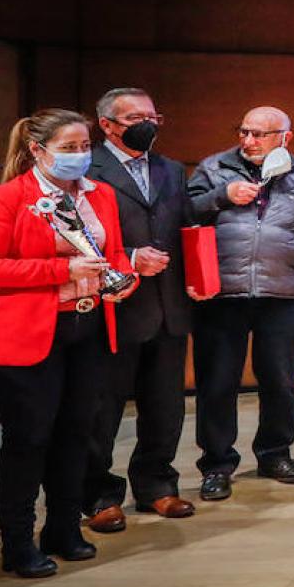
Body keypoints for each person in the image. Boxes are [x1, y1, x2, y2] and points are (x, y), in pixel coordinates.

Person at [0, 109, 137, 578]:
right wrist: (61, 271)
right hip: (29, 336)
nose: (80, 156)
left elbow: (114, 253)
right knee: (28, 441)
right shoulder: (7, 198)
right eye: (69, 148)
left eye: (85, 148)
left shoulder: (100, 195)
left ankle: (63, 529)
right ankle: (17, 543)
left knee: (76, 436)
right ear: (38, 150)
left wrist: (124, 280)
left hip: (89, 331)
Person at [184, 106, 294, 500]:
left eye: (260, 134)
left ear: (285, 138)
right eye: (244, 132)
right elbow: (184, 211)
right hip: (222, 294)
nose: (249, 141)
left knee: (280, 381)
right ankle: (217, 464)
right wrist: (221, 197)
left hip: (282, 292)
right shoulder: (213, 168)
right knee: (218, 383)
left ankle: (275, 454)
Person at [82, 88, 194, 533]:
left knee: (165, 406)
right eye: (134, 117)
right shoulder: (88, 168)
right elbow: (76, 237)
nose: (146, 123)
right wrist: (128, 255)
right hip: (116, 306)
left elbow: (184, 226)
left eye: (152, 115)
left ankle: (156, 486)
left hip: (169, 307)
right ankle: (98, 495)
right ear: (107, 124)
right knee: (102, 410)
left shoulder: (171, 168)